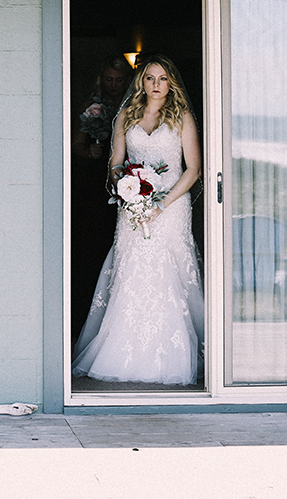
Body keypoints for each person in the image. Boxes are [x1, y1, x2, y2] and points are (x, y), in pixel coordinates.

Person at [71, 54, 204, 385]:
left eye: (161, 79)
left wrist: (161, 204)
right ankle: (123, 352)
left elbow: (193, 169)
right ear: (141, 82)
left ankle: (174, 355)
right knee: (133, 273)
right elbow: (115, 164)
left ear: (170, 82)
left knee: (168, 275)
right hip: (133, 209)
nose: (155, 85)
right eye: (149, 78)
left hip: (171, 209)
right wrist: (129, 190)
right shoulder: (126, 116)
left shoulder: (182, 116)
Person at [68, 55, 132, 334]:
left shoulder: (133, 106)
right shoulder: (92, 107)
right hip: (98, 178)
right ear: (101, 78)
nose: (114, 85)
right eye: (109, 79)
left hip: (131, 176)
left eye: (119, 80)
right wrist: (88, 151)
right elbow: (75, 146)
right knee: (95, 238)